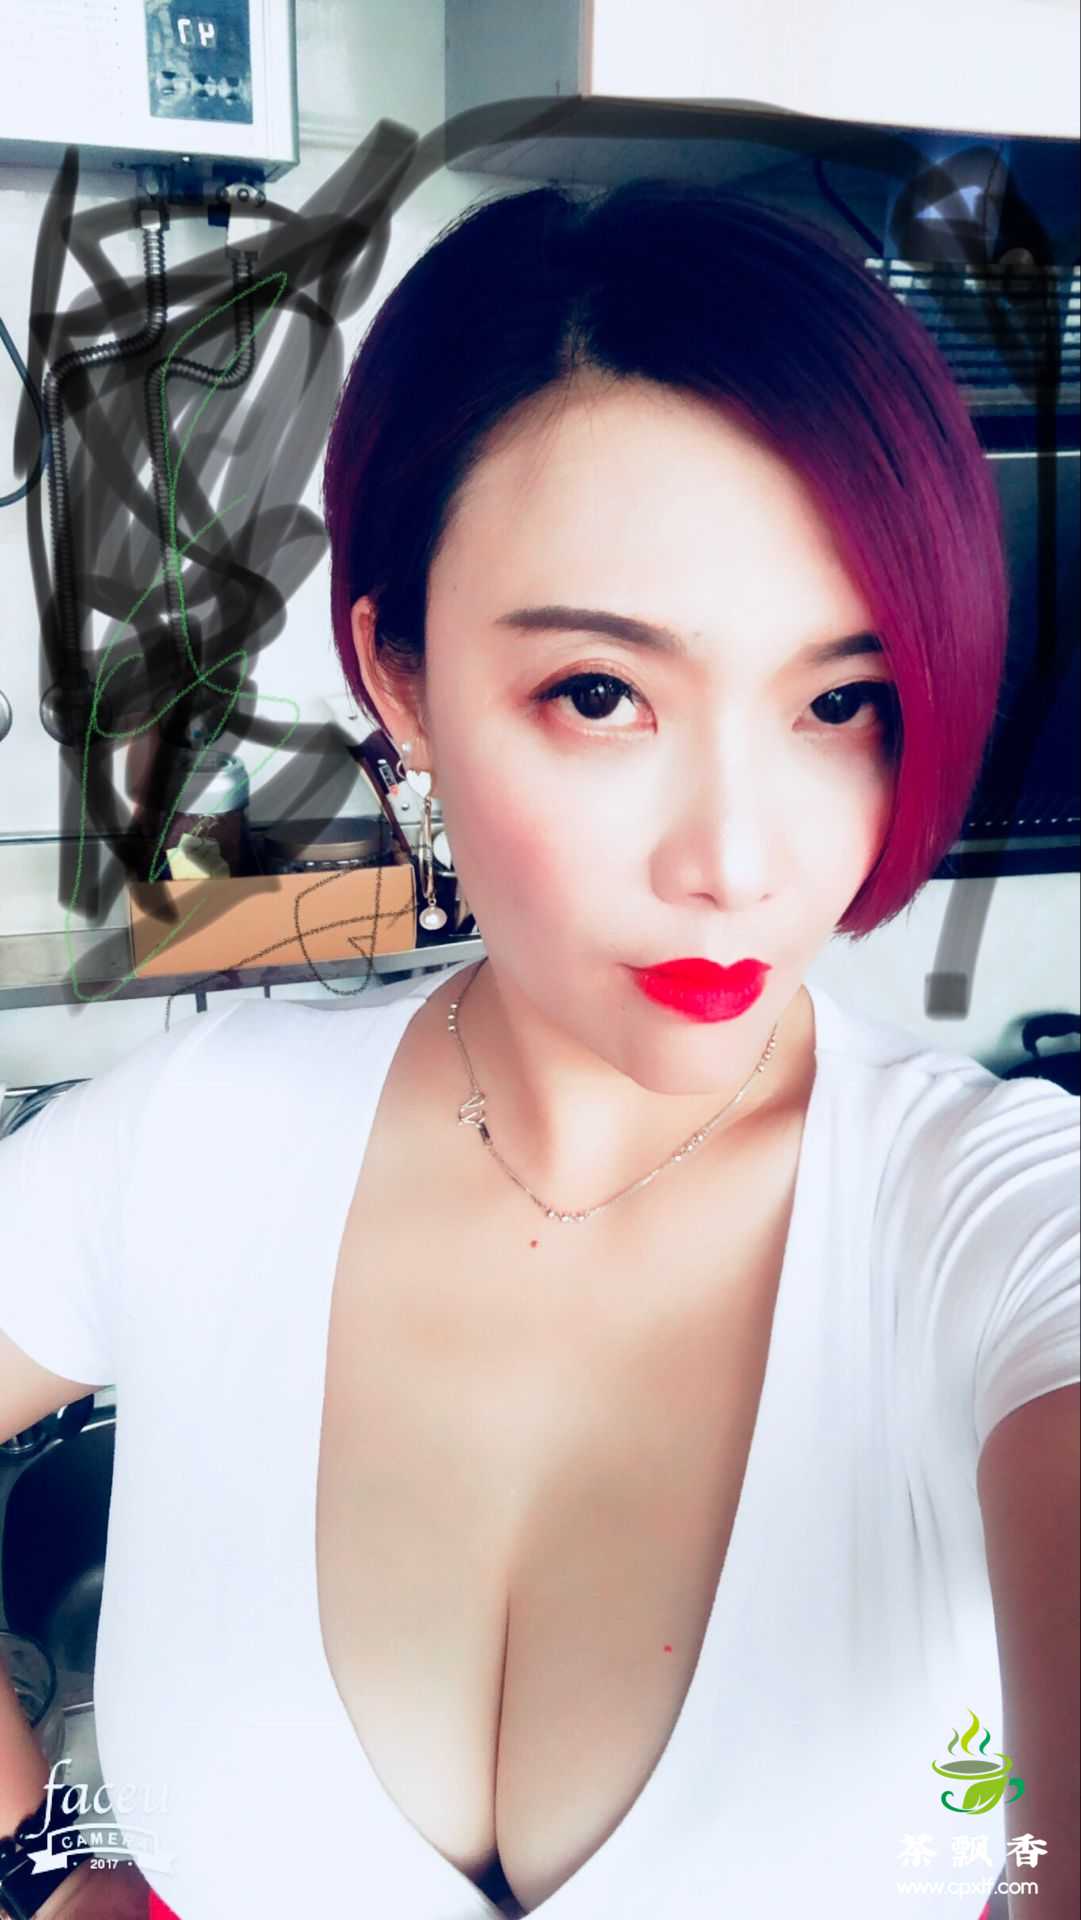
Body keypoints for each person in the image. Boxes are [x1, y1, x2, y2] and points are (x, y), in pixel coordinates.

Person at [0, 180, 1077, 1920]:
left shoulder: (995, 1219)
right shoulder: (194, 1140)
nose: (736, 861)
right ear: (400, 680)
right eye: (600, 694)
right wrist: (42, 1861)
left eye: (836, 703)